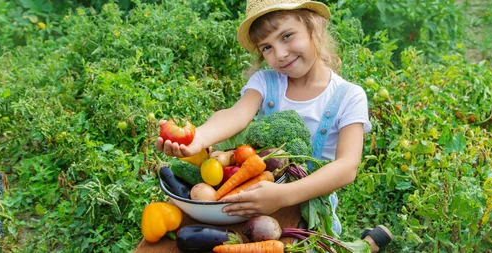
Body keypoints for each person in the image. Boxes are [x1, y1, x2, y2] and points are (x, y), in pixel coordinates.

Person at [155, 0, 392, 251]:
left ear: (315, 28)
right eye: (267, 47)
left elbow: (346, 167)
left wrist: (283, 196)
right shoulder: (267, 82)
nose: (280, 54)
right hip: (254, 195)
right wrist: (199, 138)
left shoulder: (349, 96)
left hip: (309, 207)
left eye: (287, 36)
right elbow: (235, 115)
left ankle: (368, 244)